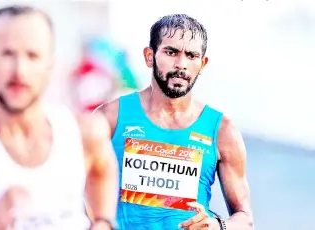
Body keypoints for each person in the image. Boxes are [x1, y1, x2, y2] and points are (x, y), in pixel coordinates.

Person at [0, 5, 118, 230]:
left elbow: (103, 171)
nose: (19, 70)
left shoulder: (85, 133)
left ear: (50, 63)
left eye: (32, 55)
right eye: (7, 54)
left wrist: (103, 221)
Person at [95, 14, 254, 230]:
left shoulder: (222, 130)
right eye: (171, 52)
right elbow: (68, 193)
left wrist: (218, 226)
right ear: (149, 56)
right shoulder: (110, 118)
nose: (181, 64)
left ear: (203, 63)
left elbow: (245, 219)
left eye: (191, 55)